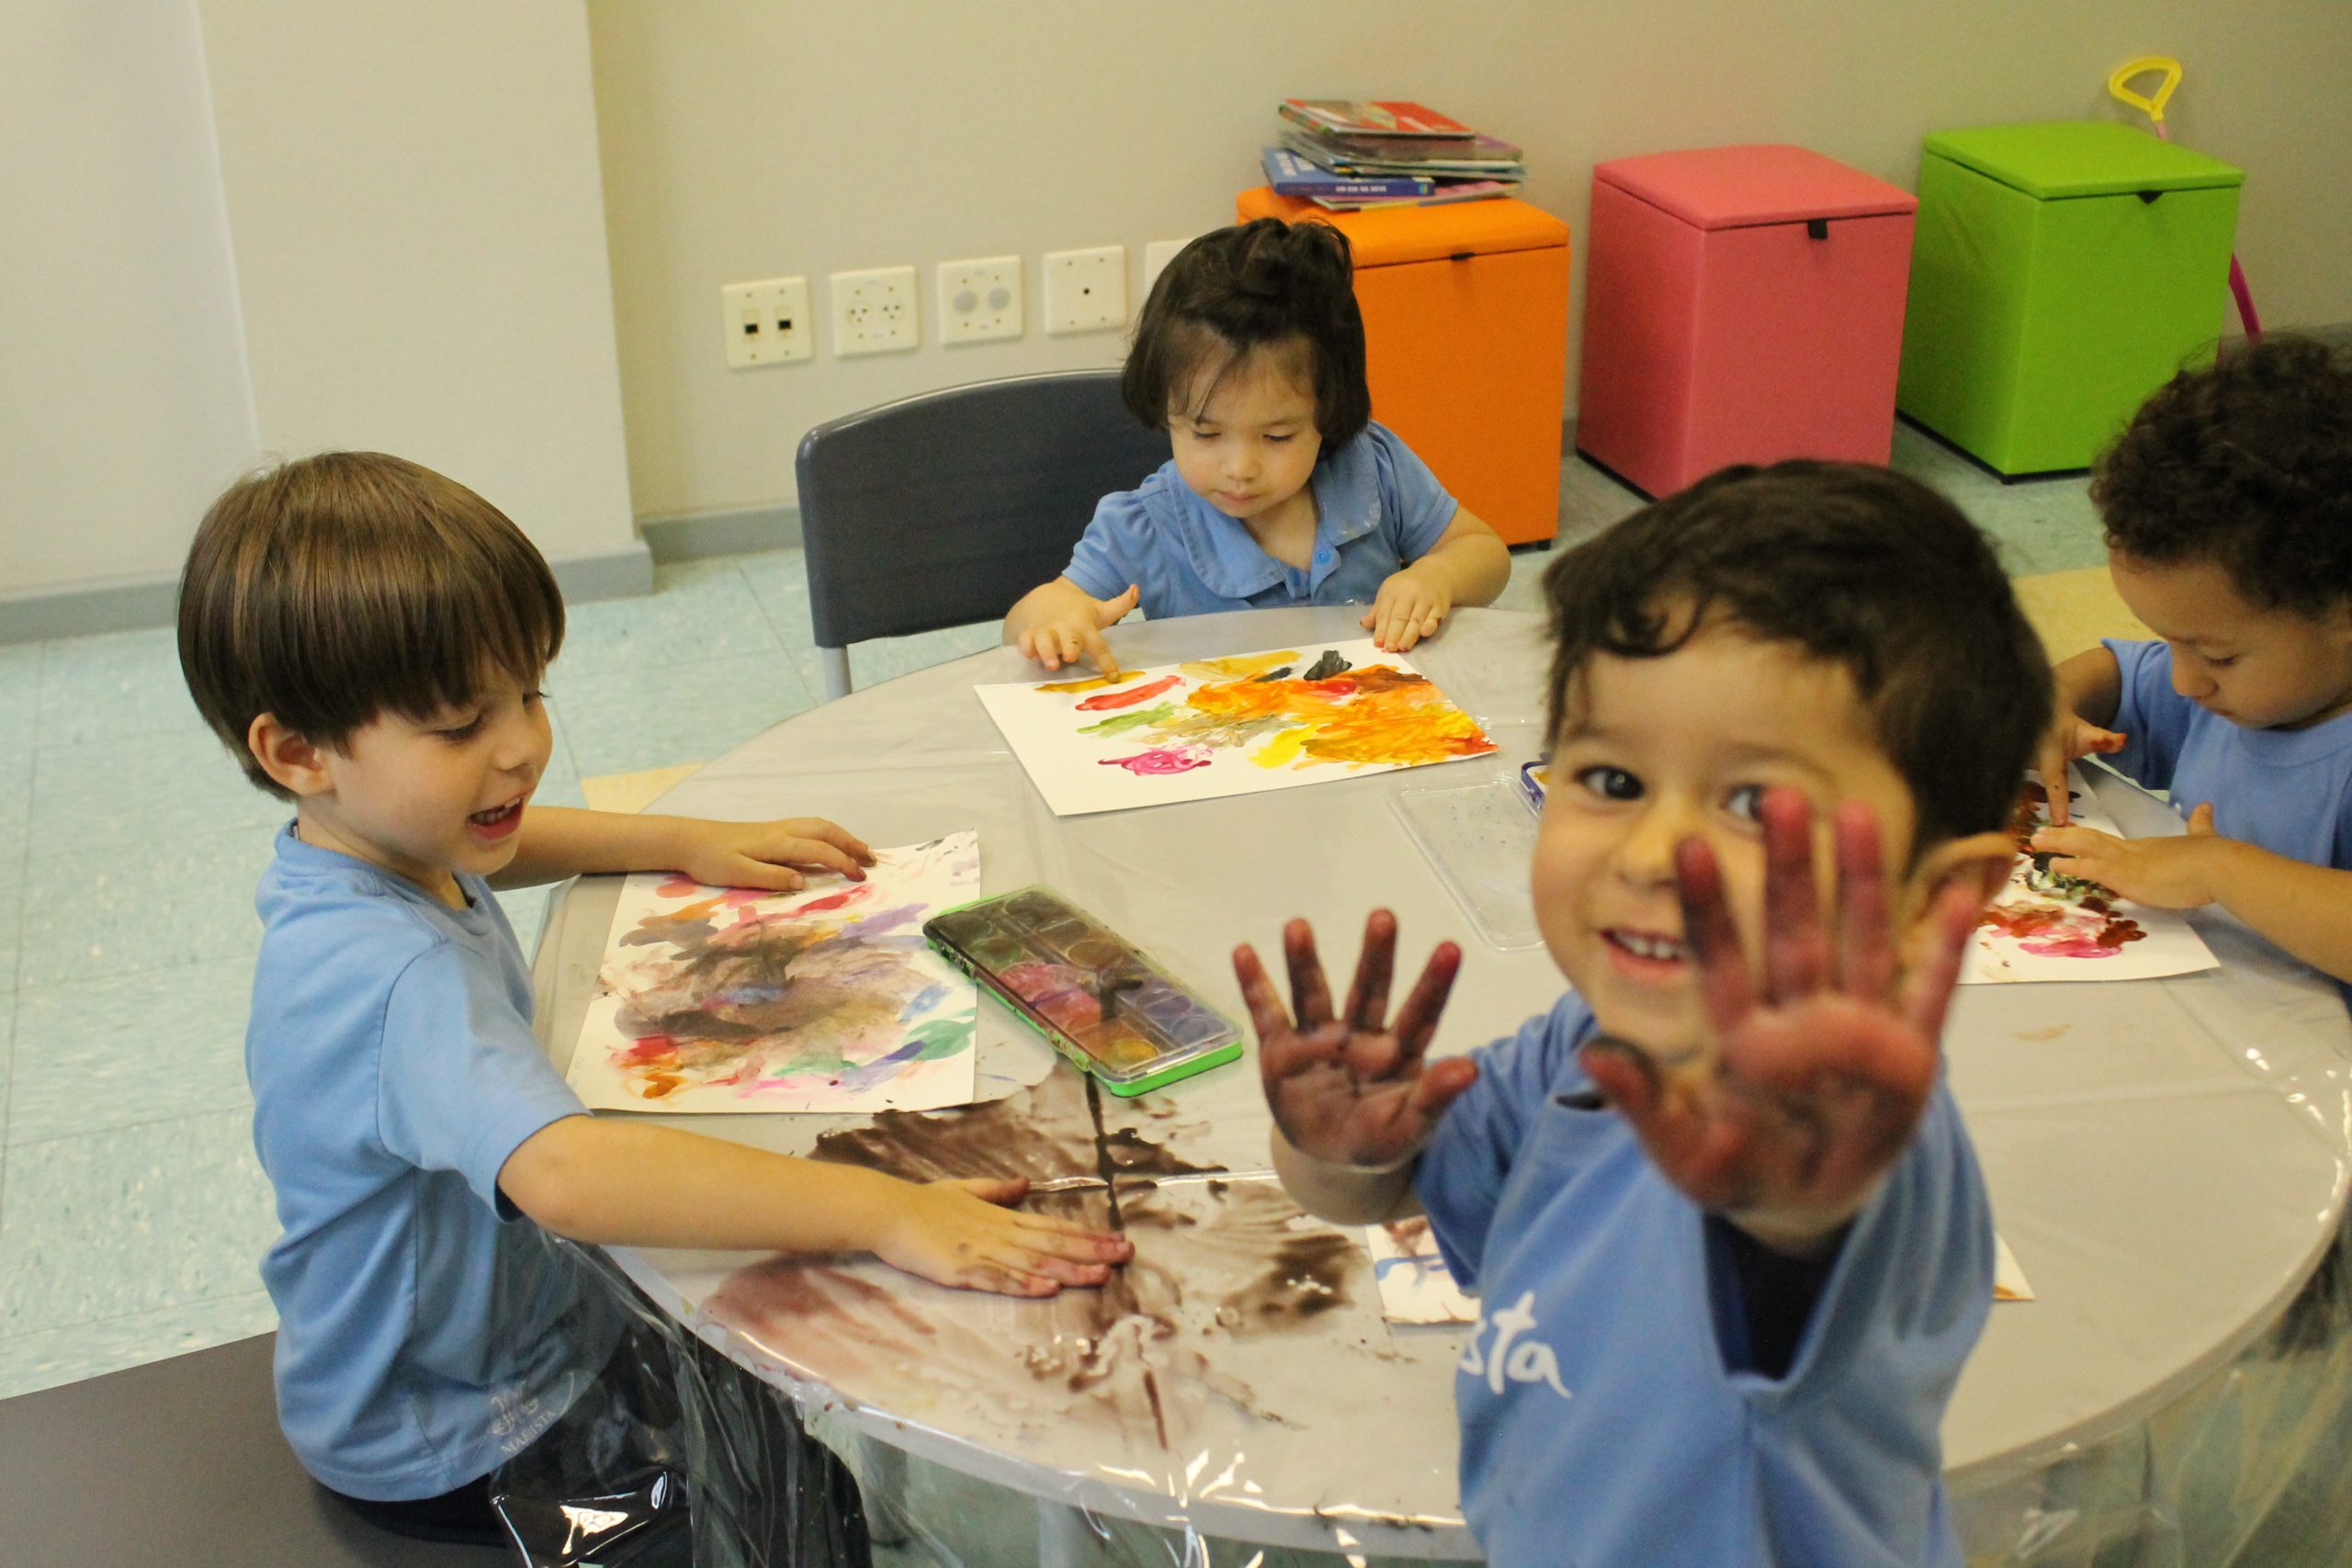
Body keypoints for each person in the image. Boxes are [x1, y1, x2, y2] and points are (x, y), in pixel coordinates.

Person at [177, 452, 1132, 1545]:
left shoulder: (378, 840)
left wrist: (682, 839)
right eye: (460, 727)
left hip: (514, 1343)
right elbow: (571, 1179)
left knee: (791, 1465)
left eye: (528, 694)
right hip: (454, 1435)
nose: (523, 747)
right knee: (797, 1524)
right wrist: (888, 1211)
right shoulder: (388, 972)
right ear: (297, 751)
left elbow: (507, 840)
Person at [1231, 463, 2048, 1566]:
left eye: (1754, 803)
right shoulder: (1585, 1047)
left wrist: (1785, 1210)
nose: (1653, 852)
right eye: (1610, 780)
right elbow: (1391, 1189)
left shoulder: (1847, 1143)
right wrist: (1332, 1148)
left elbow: (1791, 1242)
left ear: (1937, 897)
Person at [1002, 218, 1510, 676]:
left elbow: (1485, 553)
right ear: (1165, 413)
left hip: (1374, 733)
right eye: (1205, 434)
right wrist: (1054, 617)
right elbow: (1029, 620)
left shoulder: (1374, 468)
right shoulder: (1147, 525)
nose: (1240, 468)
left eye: (1277, 437)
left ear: (1329, 413)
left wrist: (1438, 575)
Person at [2033, 335, 2352, 1000]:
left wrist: (2218, 867)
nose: (2183, 682)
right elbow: (2117, 675)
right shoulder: (2240, 694)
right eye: (2170, 642)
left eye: (2215, 655)